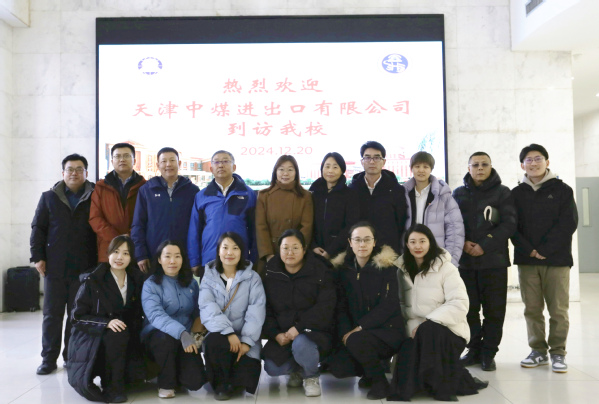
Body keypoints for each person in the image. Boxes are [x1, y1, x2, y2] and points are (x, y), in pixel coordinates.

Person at [390, 224, 487, 402]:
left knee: (429, 331)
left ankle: (438, 387)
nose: (417, 246)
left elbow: (459, 303)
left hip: (449, 330)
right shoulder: (401, 271)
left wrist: (428, 321)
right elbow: (402, 304)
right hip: (415, 330)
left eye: (422, 241)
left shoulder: (446, 268)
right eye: (413, 242)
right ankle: (424, 383)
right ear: (407, 245)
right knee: (409, 346)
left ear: (431, 243)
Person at [511, 144, 578, 373]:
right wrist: (529, 250)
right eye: (528, 160)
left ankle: (558, 352)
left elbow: (568, 223)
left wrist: (545, 250)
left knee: (558, 310)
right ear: (523, 165)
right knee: (532, 309)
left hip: (557, 260)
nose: (533, 163)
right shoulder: (516, 193)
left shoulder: (562, 190)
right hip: (527, 260)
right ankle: (537, 351)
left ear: (547, 162)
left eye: (538, 158)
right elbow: (512, 226)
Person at [30, 153, 98, 375]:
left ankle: (71, 356)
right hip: (55, 267)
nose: (74, 173)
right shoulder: (49, 197)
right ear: (63, 172)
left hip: (84, 267)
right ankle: (48, 359)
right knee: (52, 315)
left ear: (86, 173)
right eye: (70, 169)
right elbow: (38, 228)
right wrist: (37, 257)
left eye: (79, 169)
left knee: (77, 315)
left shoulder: (95, 196)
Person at [452, 152, 517, 371]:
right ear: (468, 168)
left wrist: (484, 245)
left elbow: (509, 224)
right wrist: (463, 243)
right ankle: (473, 350)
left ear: (490, 167)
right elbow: (453, 224)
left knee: (494, 311)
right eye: (476, 165)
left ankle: (489, 353)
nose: (480, 168)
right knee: (468, 309)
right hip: (466, 262)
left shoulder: (503, 192)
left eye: (484, 164)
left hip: (494, 262)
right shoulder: (458, 193)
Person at [328, 222, 405, 400]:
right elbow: (340, 307)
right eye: (357, 240)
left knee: (356, 340)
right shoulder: (343, 270)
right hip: (357, 334)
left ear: (374, 242)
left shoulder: (387, 268)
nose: (362, 244)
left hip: (387, 331)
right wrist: (346, 334)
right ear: (350, 242)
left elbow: (389, 305)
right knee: (339, 367)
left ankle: (380, 383)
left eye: (367, 240)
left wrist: (360, 327)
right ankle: (368, 372)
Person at [68, 235, 145, 403]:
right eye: (116, 252)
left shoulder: (136, 280)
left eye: (126, 253)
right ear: (108, 253)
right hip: (92, 335)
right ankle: (112, 388)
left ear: (131, 257)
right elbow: (76, 316)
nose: (120, 257)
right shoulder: (92, 280)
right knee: (116, 334)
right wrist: (106, 323)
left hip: (124, 334)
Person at [262, 229, 336, 397]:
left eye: (295, 248)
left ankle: (311, 376)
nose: (290, 252)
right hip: (284, 333)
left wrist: (299, 328)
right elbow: (266, 309)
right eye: (285, 248)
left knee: (302, 344)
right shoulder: (270, 272)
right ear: (279, 250)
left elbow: (325, 307)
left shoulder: (320, 270)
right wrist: (275, 334)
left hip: (314, 331)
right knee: (272, 368)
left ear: (304, 249)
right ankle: (299, 370)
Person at [199, 232, 266, 400]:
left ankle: (229, 379)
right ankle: (220, 385)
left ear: (242, 252)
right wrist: (228, 333)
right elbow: (207, 307)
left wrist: (246, 341)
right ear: (218, 251)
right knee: (214, 341)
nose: (230, 253)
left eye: (235, 248)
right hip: (220, 336)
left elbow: (256, 311)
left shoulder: (253, 278)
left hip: (245, 337)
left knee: (245, 379)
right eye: (225, 248)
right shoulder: (208, 277)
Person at [141, 241, 206, 398]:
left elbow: (198, 310)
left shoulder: (191, 283)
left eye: (177, 256)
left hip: (186, 337)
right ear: (159, 259)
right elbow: (156, 315)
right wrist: (182, 333)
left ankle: (175, 370)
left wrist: (195, 334)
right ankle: (166, 384)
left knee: (195, 382)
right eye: (167, 256)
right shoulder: (150, 284)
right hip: (158, 335)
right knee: (166, 340)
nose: (172, 261)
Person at [188, 150, 257, 278]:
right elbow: (194, 231)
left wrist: (254, 259)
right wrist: (194, 261)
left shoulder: (248, 194)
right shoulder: (202, 196)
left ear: (234, 167)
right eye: (216, 162)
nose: (221, 165)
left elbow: (254, 230)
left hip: (239, 260)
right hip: (210, 260)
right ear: (211, 168)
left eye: (225, 161)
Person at [131, 147, 199, 273]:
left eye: (172, 160)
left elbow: (198, 226)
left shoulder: (193, 191)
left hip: (183, 256)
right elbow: (138, 224)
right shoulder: (146, 190)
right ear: (158, 165)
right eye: (163, 161)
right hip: (154, 255)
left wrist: (195, 258)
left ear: (179, 163)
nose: (168, 164)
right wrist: (141, 254)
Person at [403, 151, 464, 266]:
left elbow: (455, 230)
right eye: (417, 166)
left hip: (436, 257)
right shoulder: (402, 194)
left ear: (431, 169)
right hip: (409, 255)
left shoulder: (443, 196)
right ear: (411, 168)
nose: (421, 170)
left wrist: (450, 261)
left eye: (425, 167)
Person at [256, 155, 313, 274]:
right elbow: (261, 227)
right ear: (275, 172)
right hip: (271, 252)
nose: (285, 173)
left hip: (295, 254)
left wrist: (296, 251)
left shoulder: (305, 196)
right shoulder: (264, 195)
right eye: (281, 169)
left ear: (296, 173)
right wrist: (268, 254)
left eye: (290, 169)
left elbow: (306, 226)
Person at [90, 142, 146, 262]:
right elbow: (95, 218)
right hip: (109, 248)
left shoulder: (145, 186)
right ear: (112, 161)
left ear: (134, 160)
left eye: (126, 156)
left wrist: (131, 236)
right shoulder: (101, 187)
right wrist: (116, 238)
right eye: (117, 156)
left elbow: (148, 217)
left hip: (136, 248)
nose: (122, 159)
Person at [348, 141, 407, 254]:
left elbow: (401, 221)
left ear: (383, 161)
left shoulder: (396, 189)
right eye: (367, 157)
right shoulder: (352, 190)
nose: (372, 161)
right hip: (359, 249)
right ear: (362, 162)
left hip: (387, 250)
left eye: (376, 158)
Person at [309, 152, 359, 260]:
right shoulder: (313, 192)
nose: (330, 171)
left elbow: (350, 226)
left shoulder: (350, 195)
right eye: (327, 166)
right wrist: (313, 246)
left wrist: (330, 251)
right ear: (322, 169)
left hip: (340, 253)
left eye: (335, 167)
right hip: (314, 251)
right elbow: (307, 221)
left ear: (342, 170)